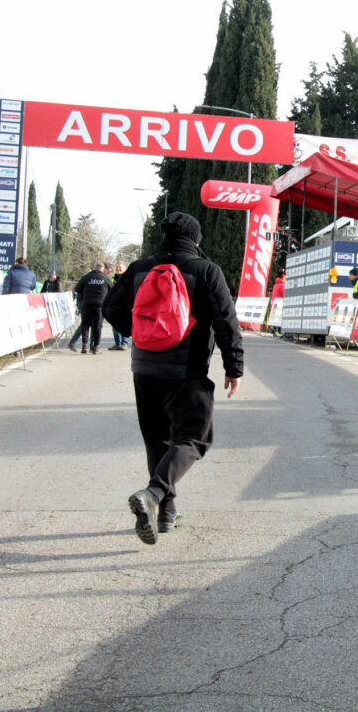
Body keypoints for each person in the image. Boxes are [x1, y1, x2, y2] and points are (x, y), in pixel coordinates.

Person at [103, 212, 243, 545]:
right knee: (194, 437)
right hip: (186, 370)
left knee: (157, 440)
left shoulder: (139, 268)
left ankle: (167, 511)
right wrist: (233, 366)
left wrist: (144, 333)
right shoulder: (207, 270)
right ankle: (153, 495)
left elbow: (111, 308)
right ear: (196, 240)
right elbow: (226, 320)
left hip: (145, 368)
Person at [68, 262, 110, 354]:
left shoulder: (87, 277)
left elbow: (77, 289)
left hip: (87, 304)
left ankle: (84, 346)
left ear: (93, 268)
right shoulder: (106, 278)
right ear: (102, 269)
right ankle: (96, 346)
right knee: (98, 326)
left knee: (85, 325)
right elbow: (112, 290)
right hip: (100, 305)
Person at [108, 262, 131, 350]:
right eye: (117, 268)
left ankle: (124, 343)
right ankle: (117, 343)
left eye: (120, 268)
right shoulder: (113, 279)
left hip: (125, 305)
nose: (118, 270)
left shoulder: (127, 278)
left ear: (124, 269)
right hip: (114, 305)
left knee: (124, 324)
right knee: (115, 326)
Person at [269, 271, 286, 336]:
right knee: (279, 318)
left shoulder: (275, 285)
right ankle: (278, 331)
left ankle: (273, 331)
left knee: (274, 317)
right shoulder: (282, 285)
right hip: (280, 303)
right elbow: (283, 294)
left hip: (273, 303)